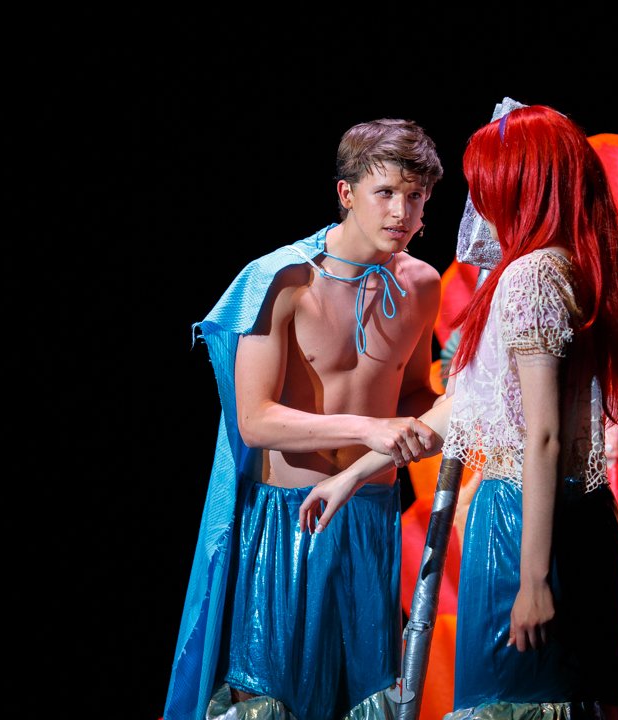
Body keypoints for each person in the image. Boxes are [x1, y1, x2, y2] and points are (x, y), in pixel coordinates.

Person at [300, 105, 618, 719]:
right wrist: (352, 475)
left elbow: (543, 436)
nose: (479, 201)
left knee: (519, 703)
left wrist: (533, 579)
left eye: (488, 181)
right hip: (578, 517)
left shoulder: (531, 276)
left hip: (524, 525)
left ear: (522, 184)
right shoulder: (575, 264)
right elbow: (467, 408)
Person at [164, 118, 445, 720]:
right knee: (270, 703)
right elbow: (255, 420)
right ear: (347, 193)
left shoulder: (422, 285)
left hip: (371, 516)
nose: (401, 211)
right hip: (288, 519)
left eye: (416, 195)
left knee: (365, 703)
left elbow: (416, 395)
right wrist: (369, 427)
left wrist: (471, 405)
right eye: (385, 192)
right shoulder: (283, 280)